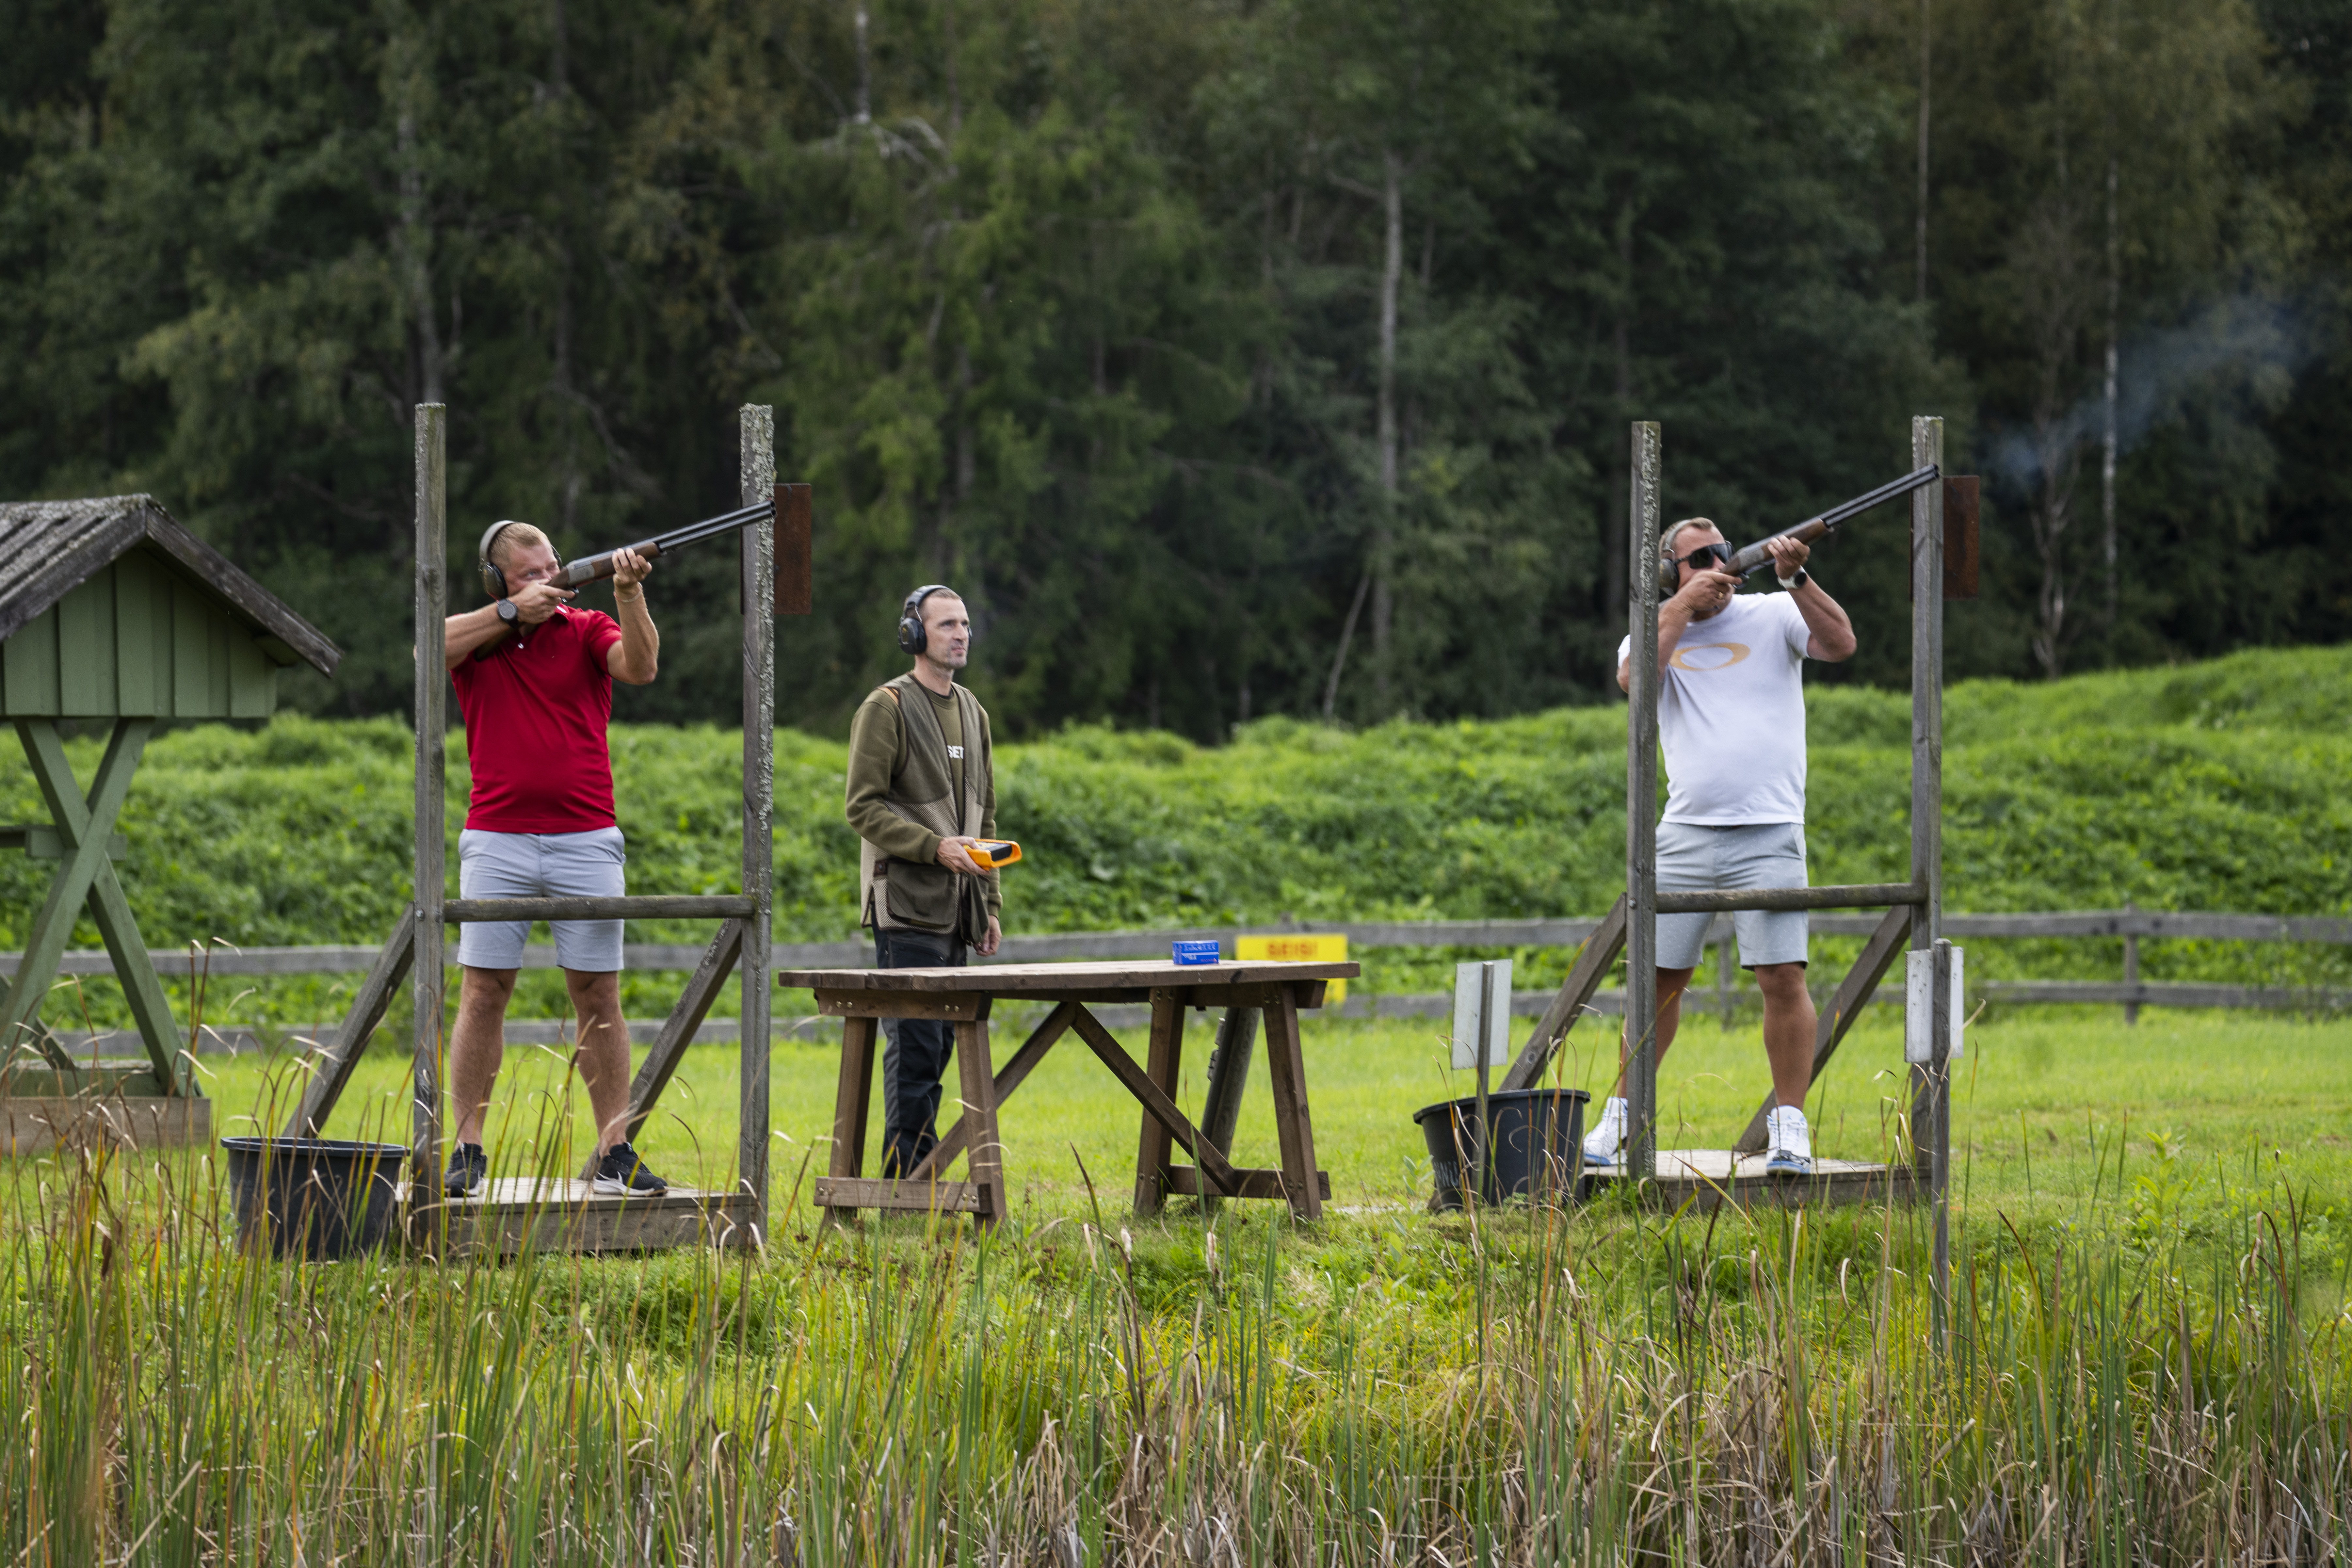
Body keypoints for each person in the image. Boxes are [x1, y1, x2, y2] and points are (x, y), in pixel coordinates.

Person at [1585, 516, 1858, 1175]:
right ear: (1668, 575)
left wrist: (1796, 575)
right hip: (1684, 831)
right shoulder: (1656, 628)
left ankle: (1788, 1126)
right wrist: (1682, 606)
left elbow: (1840, 642)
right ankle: (1622, 1116)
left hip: (1769, 828)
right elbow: (1635, 682)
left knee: (1782, 977)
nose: (1715, 562)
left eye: (1720, 552)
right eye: (1697, 558)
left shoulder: (1771, 611)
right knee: (1657, 984)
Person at [439, 519, 669, 1199]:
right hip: (497, 836)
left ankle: (614, 1149)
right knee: (484, 992)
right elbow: (429, 646)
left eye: (552, 570)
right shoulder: (482, 635)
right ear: (497, 584)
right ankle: (468, 1148)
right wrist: (509, 613)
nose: (547, 583)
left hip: (588, 835)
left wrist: (629, 592)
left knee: (599, 995)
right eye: (528, 575)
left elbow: (641, 666)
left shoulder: (588, 624)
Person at [844, 585, 1006, 1178]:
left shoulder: (973, 710)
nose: (960, 634)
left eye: (964, 624)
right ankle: (905, 1182)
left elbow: (984, 818)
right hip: (906, 907)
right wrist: (933, 847)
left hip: (958, 909)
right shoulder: (885, 706)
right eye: (946, 625)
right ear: (914, 634)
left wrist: (989, 904)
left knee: (940, 1047)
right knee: (914, 1047)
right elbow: (862, 808)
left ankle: (920, 1175)